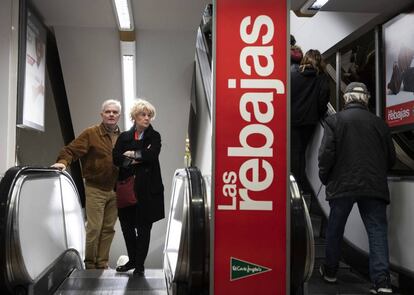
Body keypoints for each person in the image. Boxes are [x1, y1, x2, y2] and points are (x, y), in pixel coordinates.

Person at [318, 82, 396, 294]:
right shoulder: (380, 124)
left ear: (346, 99)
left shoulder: (334, 121)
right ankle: (382, 282)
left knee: (335, 228)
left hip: (342, 183)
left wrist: (324, 177)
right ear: (366, 99)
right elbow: (391, 158)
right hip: (373, 184)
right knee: (377, 231)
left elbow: (326, 155)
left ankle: (331, 271)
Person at [51, 99, 122, 269]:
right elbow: (70, 150)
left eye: (114, 112)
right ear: (102, 114)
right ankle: (90, 264)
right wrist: (63, 162)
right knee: (94, 229)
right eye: (108, 111)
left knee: (108, 229)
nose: (111, 114)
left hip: (116, 190)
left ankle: (102, 263)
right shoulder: (91, 133)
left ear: (119, 115)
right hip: (95, 188)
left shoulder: (123, 137)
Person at [112, 98, 164, 276]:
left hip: (147, 191)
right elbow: (116, 158)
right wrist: (136, 158)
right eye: (143, 114)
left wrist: (133, 154)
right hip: (127, 189)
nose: (147, 118)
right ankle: (132, 260)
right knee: (127, 227)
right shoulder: (124, 136)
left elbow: (151, 155)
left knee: (143, 228)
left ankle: (140, 265)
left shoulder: (154, 136)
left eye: (149, 115)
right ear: (135, 116)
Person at [291, 49, 330, 195]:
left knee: (295, 151)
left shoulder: (293, 75)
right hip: (309, 121)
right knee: (301, 150)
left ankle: (295, 184)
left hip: (292, 120)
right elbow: (323, 99)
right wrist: (316, 114)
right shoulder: (321, 78)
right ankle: (300, 184)